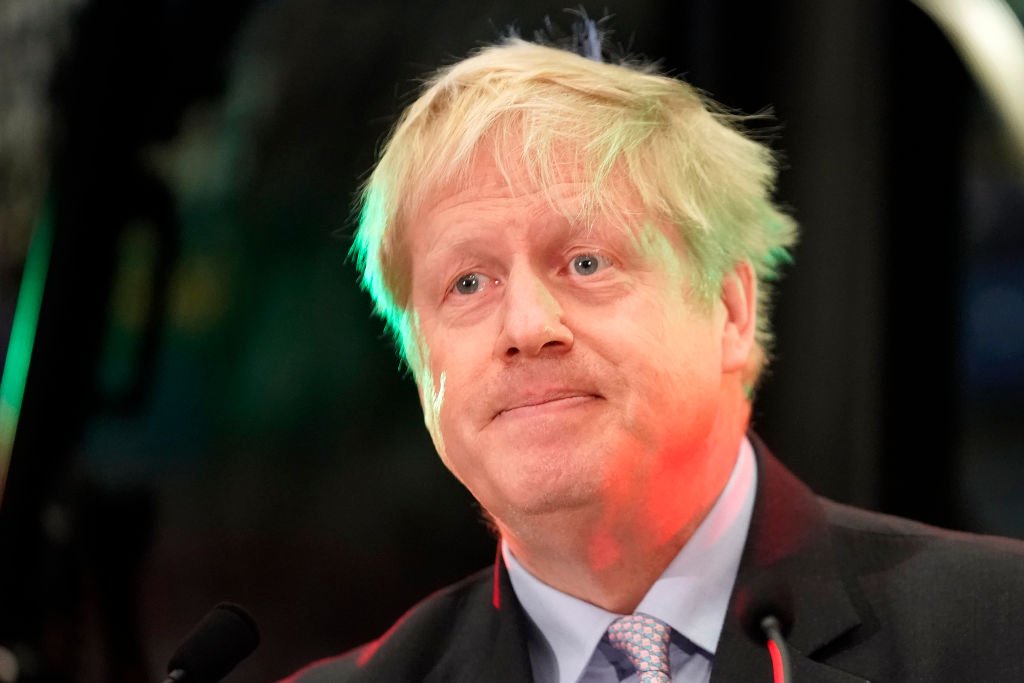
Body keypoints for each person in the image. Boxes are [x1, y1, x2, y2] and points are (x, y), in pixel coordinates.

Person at [283, 35, 1024, 683]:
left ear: (730, 310)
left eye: (585, 262)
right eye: (468, 282)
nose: (528, 325)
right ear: (418, 361)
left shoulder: (1000, 631)